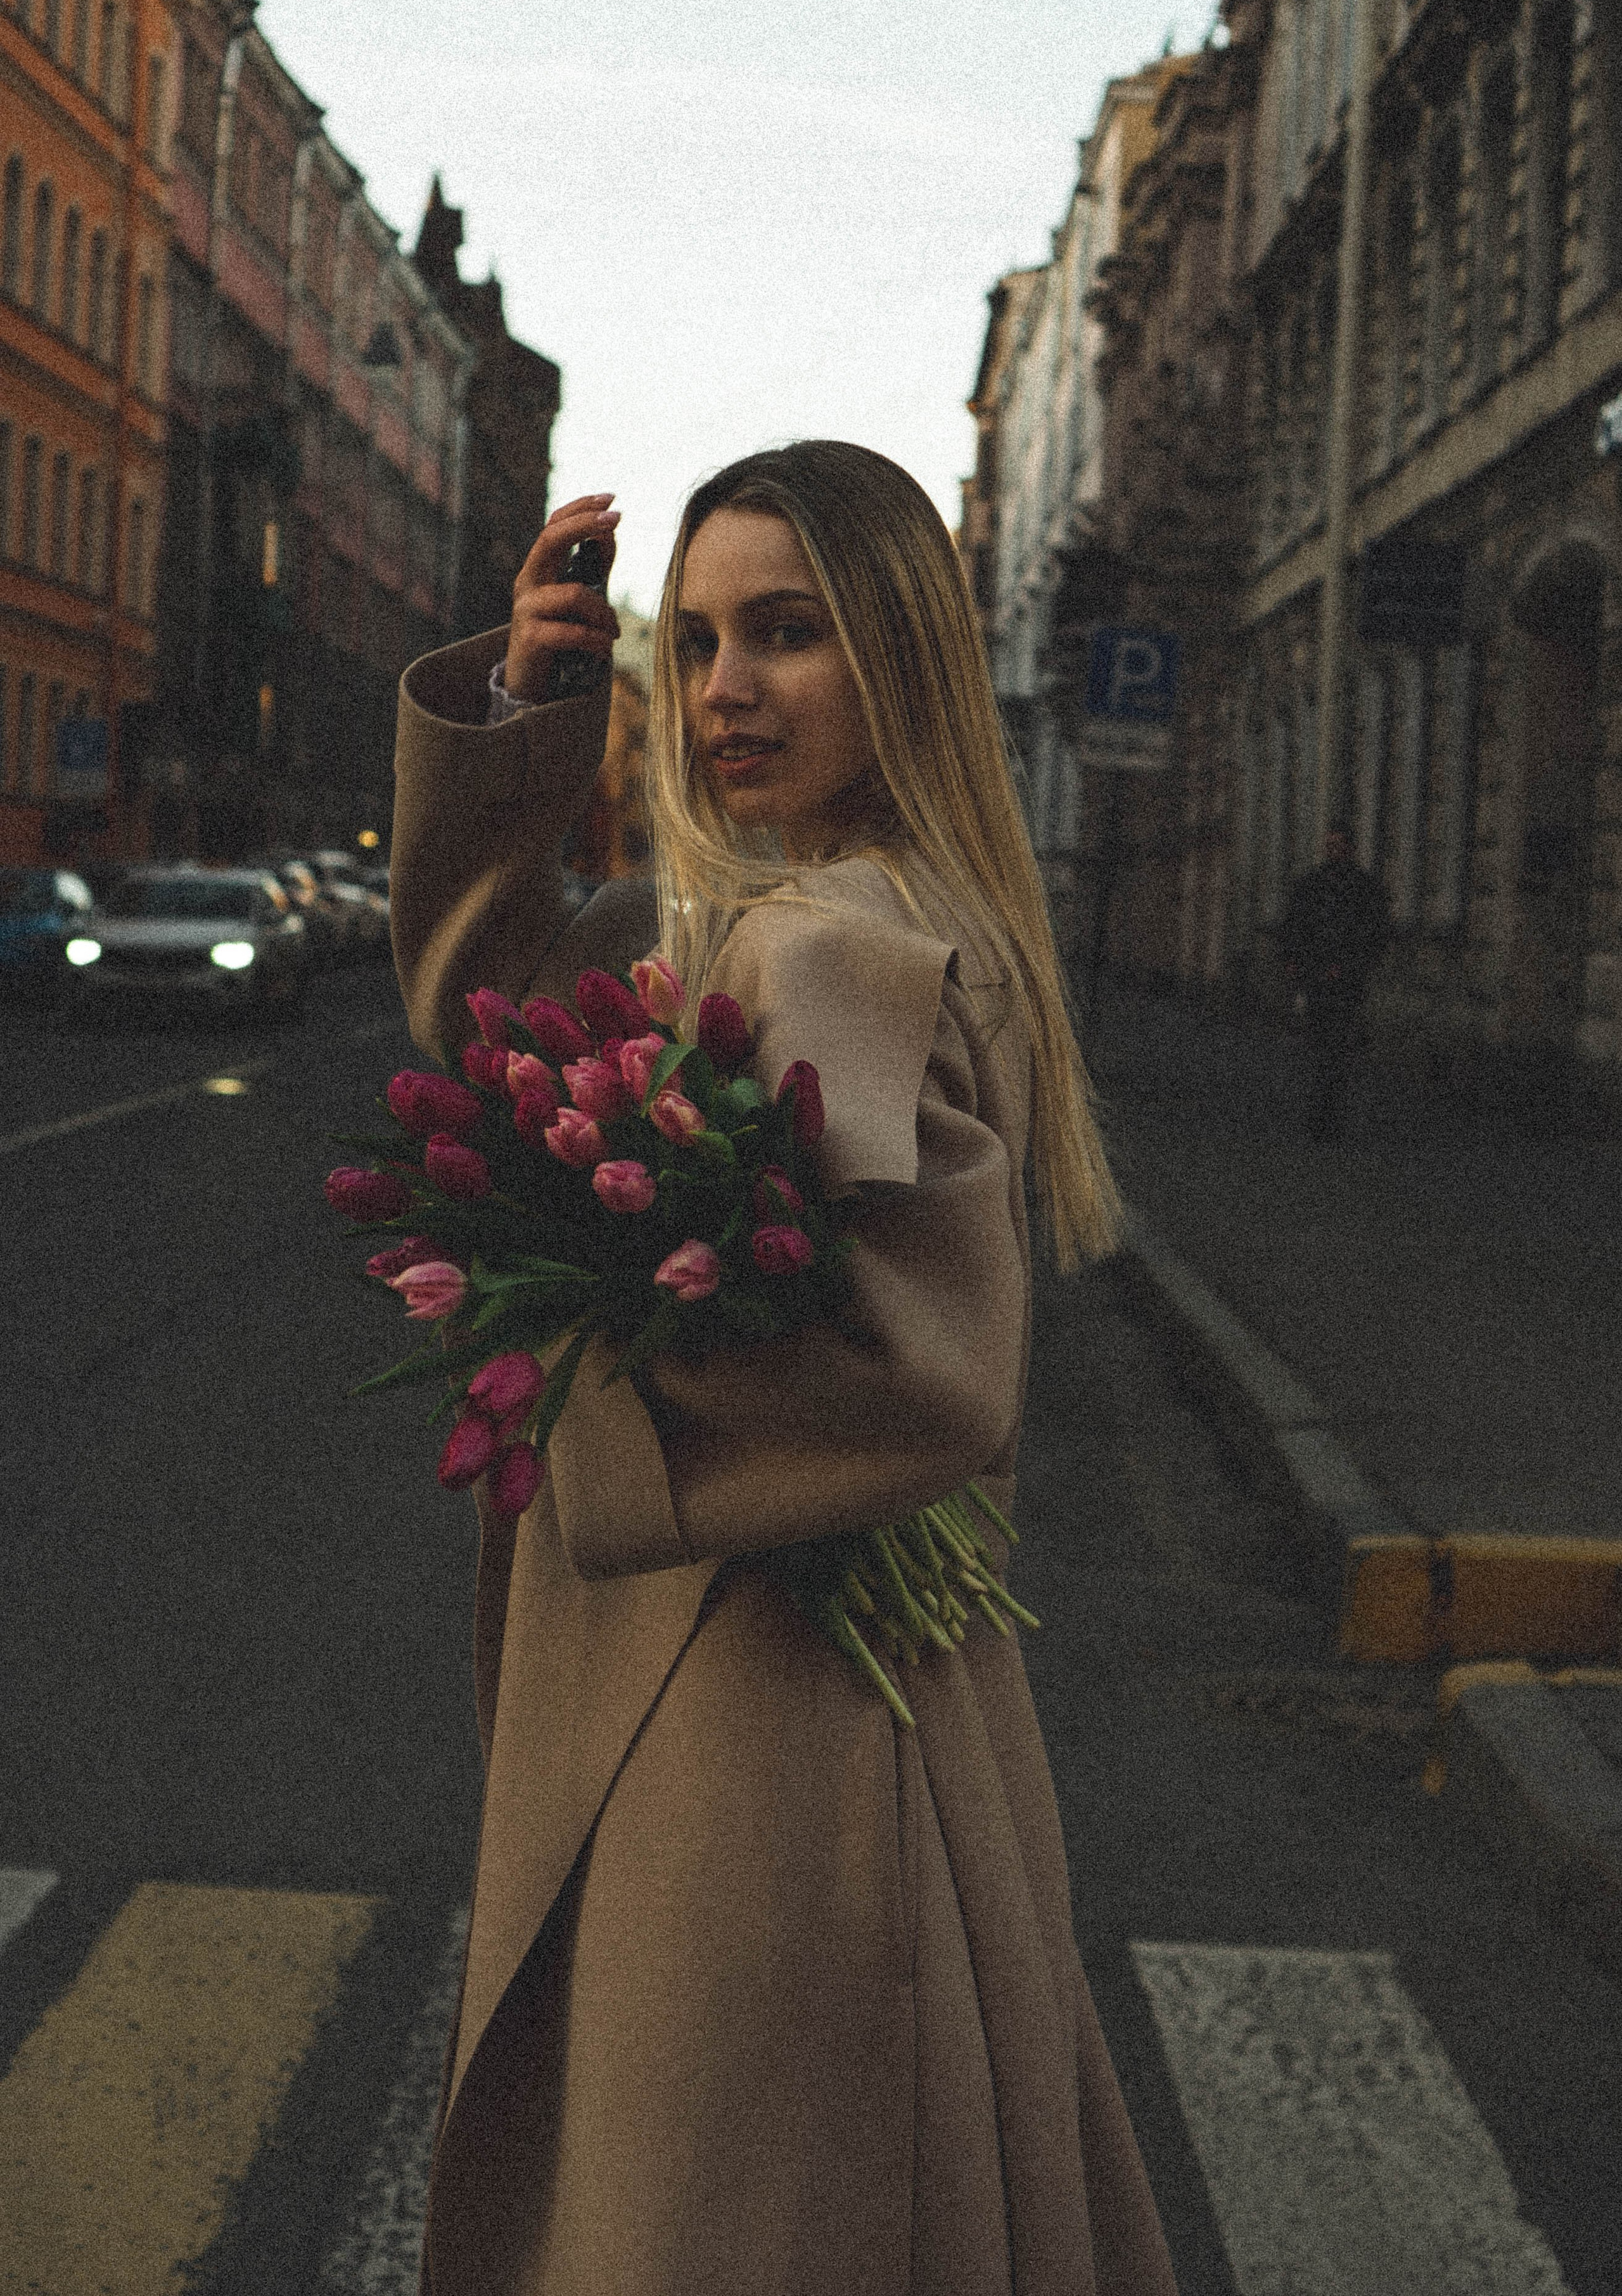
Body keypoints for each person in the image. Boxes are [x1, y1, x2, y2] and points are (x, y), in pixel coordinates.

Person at [390, 440, 1180, 2296]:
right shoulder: (823, 903)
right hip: (847, 1703)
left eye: (791, 632)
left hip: (762, 1726)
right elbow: (499, 1005)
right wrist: (536, 711)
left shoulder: (831, 938)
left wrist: (550, 1350)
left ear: (897, 655)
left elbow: (918, 1375)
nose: (729, 683)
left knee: (712, 2214)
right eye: (711, 634)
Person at [1280, 823, 1390, 1140]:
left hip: (1346, 984)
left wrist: (1348, 968)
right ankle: (1321, 1112)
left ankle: (1330, 1115)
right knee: (1320, 1047)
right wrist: (1295, 964)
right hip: (1317, 982)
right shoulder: (1311, 885)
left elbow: (1373, 935)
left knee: (1338, 1048)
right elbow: (1294, 927)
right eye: (1329, 845)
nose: (1333, 851)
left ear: (1349, 848)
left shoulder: (1363, 888)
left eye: (1339, 845)